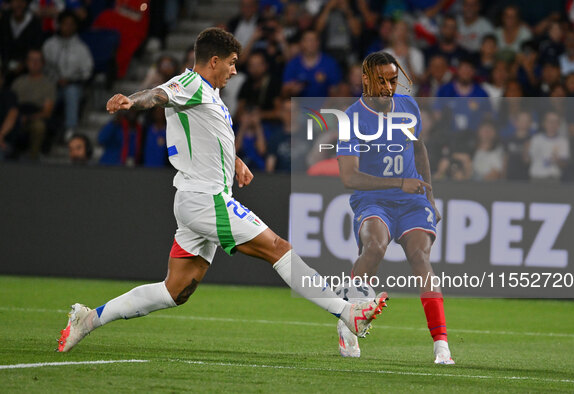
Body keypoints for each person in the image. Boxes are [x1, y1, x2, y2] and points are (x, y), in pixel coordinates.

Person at [56, 27, 389, 353]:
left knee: (176, 290)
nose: (234, 70)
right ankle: (348, 313)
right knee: (277, 247)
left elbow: (207, 137)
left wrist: (234, 161)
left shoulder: (208, 94)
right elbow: (158, 94)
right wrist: (131, 100)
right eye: (231, 62)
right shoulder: (190, 83)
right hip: (205, 199)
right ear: (212, 60)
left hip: (197, 198)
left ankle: (89, 319)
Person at [334, 51, 454, 364]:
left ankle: (441, 345)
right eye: (381, 80)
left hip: (412, 200)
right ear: (365, 79)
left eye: (393, 80)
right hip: (372, 199)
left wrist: (429, 197)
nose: (388, 87)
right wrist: (398, 184)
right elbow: (349, 177)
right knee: (375, 247)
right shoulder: (352, 118)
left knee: (420, 257)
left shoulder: (408, 105)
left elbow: (419, 150)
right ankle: (349, 321)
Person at [42, 11, 94, 140]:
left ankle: (70, 129)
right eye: (65, 24)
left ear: (75, 27)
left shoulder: (81, 48)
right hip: (51, 85)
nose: (68, 27)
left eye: (71, 24)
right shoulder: (49, 45)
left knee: (71, 91)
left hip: (74, 85)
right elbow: (44, 67)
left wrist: (71, 79)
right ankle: (44, 129)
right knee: (44, 91)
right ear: (59, 25)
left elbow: (87, 71)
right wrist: (55, 79)